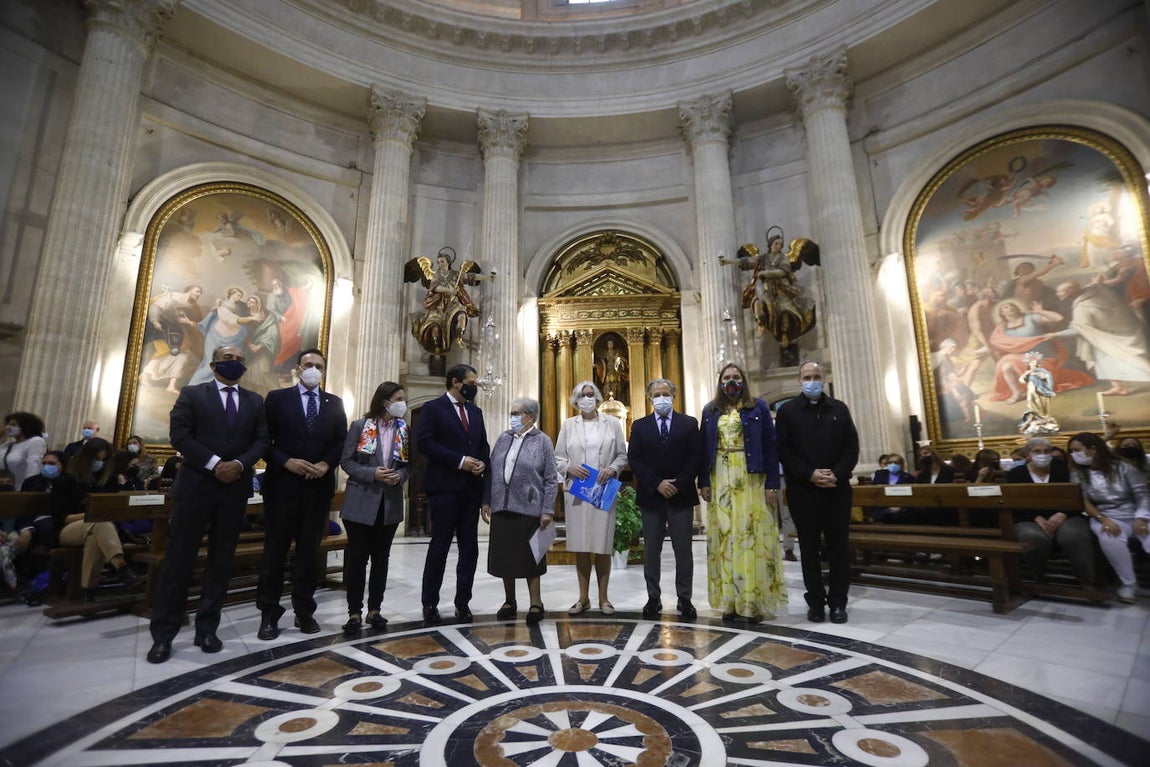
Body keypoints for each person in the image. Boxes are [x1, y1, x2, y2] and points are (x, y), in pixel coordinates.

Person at [146, 346, 269, 664]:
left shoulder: (255, 401)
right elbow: (180, 435)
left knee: (221, 561)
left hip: (234, 489)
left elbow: (262, 440)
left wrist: (239, 464)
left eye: (240, 359)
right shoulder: (192, 394)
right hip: (196, 486)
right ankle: (164, 635)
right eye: (228, 359)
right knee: (179, 561)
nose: (235, 363)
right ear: (214, 365)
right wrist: (215, 464)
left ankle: (207, 629)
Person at [255, 349, 347, 640]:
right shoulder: (277, 399)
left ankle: (304, 611)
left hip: (317, 488)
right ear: (298, 368)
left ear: (323, 371)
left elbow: (341, 442)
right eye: (308, 364)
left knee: (309, 553)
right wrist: (286, 461)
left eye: (318, 366)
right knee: (275, 551)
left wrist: (326, 464)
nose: (313, 369)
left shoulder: (334, 403)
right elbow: (263, 440)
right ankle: (269, 613)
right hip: (282, 486)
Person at [699, 363, 786, 623]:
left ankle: (753, 602)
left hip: (751, 478)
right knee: (725, 538)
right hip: (720, 478)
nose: (731, 381)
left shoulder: (758, 407)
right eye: (727, 377)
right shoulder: (710, 410)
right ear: (720, 382)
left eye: (736, 377)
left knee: (751, 536)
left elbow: (771, 446)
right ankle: (729, 601)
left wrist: (772, 484)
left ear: (743, 381)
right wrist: (704, 481)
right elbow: (704, 448)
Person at [776, 361, 859, 624]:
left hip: (837, 489)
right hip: (804, 491)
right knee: (809, 549)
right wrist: (810, 474)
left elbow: (851, 447)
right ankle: (815, 602)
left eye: (816, 376)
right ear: (800, 380)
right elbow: (784, 451)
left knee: (839, 549)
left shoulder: (839, 409)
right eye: (807, 377)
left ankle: (838, 603)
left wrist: (837, 473)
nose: (812, 381)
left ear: (824, 378)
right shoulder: (788, 411)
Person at [417, 364, 490, 624]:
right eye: (471, 382)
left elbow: (482, 445)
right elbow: (425, 443)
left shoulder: (475, 411)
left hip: (471, 490)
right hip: (445, 488)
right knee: (440, 546)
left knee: (469, 550)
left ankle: (463, 602)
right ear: (455, 382)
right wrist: (460, 461)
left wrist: (482, 463)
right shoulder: (433, 408)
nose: (474, 387)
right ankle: (430, 602)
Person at [627, 378, 701, 620]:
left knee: (683, 551)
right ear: (650, 399)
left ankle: (685, 598)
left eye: (665, 394)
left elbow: (695, 457)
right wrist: (657, 483)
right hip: (652, 496)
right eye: (657, 394)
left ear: (674, 396)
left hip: (681, 495)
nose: (661, 398)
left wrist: (678, 484)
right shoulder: (640, 426)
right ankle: (653, 597)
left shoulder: (689, 424)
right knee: (651, 551)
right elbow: (635, 459)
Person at [339, 382, 409, 634]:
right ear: (385, 401)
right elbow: (346, 461)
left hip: (389, 504)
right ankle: (354, 612)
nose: (403, 404)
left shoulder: (404, 429)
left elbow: (408, 465)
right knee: (358, 559)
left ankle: (374, 610)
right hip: (361, 501)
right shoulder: (361, 426)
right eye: (399, 399)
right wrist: (372, 473)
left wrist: (399, 476)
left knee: (381, 559)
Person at [554, 380, 628, 616]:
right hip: (578, 491)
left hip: (603, 489)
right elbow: (558, 457)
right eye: (582, 395)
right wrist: (569, 468)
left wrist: (613, 469)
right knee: (581, 546)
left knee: (603, 545)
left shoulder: (612, 423)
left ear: (596, 398)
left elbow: (622, 455)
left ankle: (604, 599)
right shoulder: (568, 425)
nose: (587, 399)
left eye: (590, 395)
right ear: (576, 400)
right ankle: (583, 598)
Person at [482, 397, 558, 624]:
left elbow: (551, 478)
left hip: (530, 509)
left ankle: (536, 602)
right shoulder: (503, 438)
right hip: (501, 506)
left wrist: (547, 510)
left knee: (531, 558)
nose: (512, 417)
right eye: (512, 413)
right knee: (505, 557)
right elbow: (491, 471)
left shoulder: (542, 441)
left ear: (531, 417)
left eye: (517, 413)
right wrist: (486, 500)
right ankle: (509, 601)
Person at [1066, 432, 1150, 604]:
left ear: (1093, 449)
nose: (1074, 455)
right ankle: (1129, 584)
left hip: (1136, 512)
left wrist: (1141, 518)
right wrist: (1103, 519)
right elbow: (1083, 500)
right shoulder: (1078, 472)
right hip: (1105, 515)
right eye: (1072, 451)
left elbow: (1142, 494)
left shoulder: (1123, 466)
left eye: (1077, 450)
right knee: (1110, 537)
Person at [54, 438, 141, 598]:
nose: (99, 463)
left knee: (95, 536)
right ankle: (120, 566)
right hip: (68, 528)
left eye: (103, 459)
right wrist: (90, 514)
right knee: (99, 523)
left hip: (100, 528)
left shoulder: (108, 479)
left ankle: (88, 590)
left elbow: (113, 509)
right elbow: (61, 517)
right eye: (97, 459)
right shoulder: (67, 479)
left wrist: (98, 515)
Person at [1005, 437, 1095, 588]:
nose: (1042, 455)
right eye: (1037, 451)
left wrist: (1062, 514)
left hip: (1065, 515)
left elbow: (1075, 498)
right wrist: (1036, 517)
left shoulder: (1063, 471)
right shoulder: (1016, 474)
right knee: (1033, 538)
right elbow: (1014, 502)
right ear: (1028, 454)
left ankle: (1086, 579)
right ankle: (1039, 576)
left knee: (1074, 536)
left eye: (1046, 451)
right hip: (1029, 518)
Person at [2, 411, 48, 495]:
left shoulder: (35, 441)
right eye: (8, 425)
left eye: (13, 425)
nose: (8, 428)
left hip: (21, 490)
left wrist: (28, 491)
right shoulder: (7, 445)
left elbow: (34, 467)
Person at [868, 452, 918, 523]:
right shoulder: (880, 475)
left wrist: (900, 507)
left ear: (901, 464)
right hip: (883, 507)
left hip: (901, 508)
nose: (893, 464)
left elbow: (911, 497)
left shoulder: (908, 477)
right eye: (890, 462)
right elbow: (875, 492)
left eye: (896, 462)